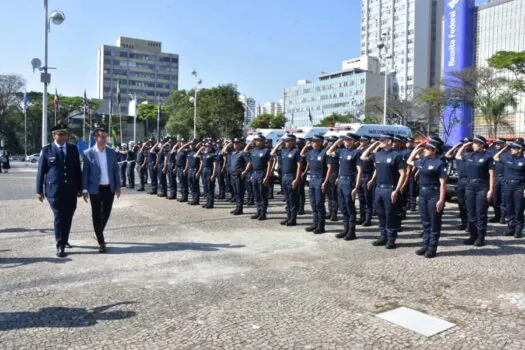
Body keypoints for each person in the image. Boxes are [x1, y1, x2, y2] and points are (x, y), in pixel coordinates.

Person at [36, 124, 82, 257]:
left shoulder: (73, 149)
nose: (63, 137)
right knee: (59, 216)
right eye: (60, 134)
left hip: (71, 189)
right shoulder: (47, 150)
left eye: (65, 134)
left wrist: (79, 187)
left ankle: (65, 238)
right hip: (54, 190)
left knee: (69, 215)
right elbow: (41, 172)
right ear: (54, 135)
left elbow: (77, 170)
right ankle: (60, 245)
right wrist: (39, 190)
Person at [361, 134, 407, 249]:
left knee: (390, 215)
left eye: (382, 140)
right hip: (379, 188)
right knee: (381, 214)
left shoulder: (396, 155)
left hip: (390, 189)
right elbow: (363, 156)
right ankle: (383, 236)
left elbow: (403, 173)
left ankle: (391, 239)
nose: (379, 141)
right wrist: (372, 179)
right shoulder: (377, 154)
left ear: (389, 141)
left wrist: (397, 190)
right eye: (379, 140)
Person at [81, 128, 121, 254]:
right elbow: (85, 173)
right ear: (96, 138)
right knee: (96, 214)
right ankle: (101, 241)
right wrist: (84, 189)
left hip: (109, 188)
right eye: (102, 137)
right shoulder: (88, 153)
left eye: (105, 137)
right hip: (95, 189)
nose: (104, 139)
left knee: (107, 213)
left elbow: (115, 169)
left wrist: (118, 186)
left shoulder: (111, 152)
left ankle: (98, 231)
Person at [406, 140, 447, 258]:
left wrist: (441, 200)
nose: (425, 150)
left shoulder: (439, 163)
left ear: (434, 151)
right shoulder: (423, 161)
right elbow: (409, 161)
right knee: (425, 222)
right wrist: (416, 150)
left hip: (434, 194)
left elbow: (443, 183)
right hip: (423, 194)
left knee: (434, 222)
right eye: (425, 148)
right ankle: (425, 245)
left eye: (427, 148)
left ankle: (432, 248)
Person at [455, 135, 495, 247]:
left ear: (482, 144)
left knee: (481, 213)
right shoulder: (469, 155)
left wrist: (491, 190)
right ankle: (473, 236)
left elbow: (492, 175)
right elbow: (458, 156)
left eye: (476, 143)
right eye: (473, 143)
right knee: (471, 213)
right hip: (470, 187)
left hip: (482, 187)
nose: (473, 144)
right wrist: (464, 146)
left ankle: (481, 238)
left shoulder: (488, 157)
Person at [328, 133, 361, 240]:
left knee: (349, 206)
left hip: (349, 181)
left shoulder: (356, 153)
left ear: (353, 141)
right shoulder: (341, 151)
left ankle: (352, 232)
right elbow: (329, 152)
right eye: (345, 140)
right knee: (342, 207)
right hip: (341, 180)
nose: (346, 141)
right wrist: (338, 142)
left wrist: (356, 187)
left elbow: (359, 171)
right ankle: (345, 229)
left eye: (348, 140)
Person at [493, 139, 525, 238]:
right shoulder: (507, 157)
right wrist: (504, 149)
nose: (512, 149)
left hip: (519, 187)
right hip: (507, 186)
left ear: (520, 149)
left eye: (514, 148)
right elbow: (495, 157)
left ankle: (518, 230)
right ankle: (510, 228)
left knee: (518, 209)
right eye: (511, 148)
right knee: (509, 208)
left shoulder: (523, 160)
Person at [302, 135, 332, 234]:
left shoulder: (325, 153)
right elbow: (302, 154)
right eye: (312, 141)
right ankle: (315, 223)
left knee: (319, 203)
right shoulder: (310, 153)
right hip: (312, 179)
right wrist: (306, 145)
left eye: (315, 141)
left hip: (320, 179)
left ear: (320, 142)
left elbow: (329, 168)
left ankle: (321, 226)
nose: (314, 143)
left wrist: (325, 182)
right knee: (313, 203)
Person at [271, 134, 302, 226]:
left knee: (293, 199)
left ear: (293, 141)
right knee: (287, 199)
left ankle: (293, 219)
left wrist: (296, 179)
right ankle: (288, 217)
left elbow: (299, 166)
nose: (287, 142)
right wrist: (279, 144)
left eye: (288, 141)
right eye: (286, 141)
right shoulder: (283, 150)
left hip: (291, 176)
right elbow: (272, 153)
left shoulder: (296, 151)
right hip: (284, 176)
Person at [244, 135, 273, 220]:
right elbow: (244, 151)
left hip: (262, 173)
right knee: (256, 194)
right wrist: (250, 143)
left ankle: (263, 213)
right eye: (256, 140)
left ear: (264, 141)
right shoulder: (252, 150)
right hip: (254, 173)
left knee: (262, 194)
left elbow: (269, 164)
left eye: (260, 140)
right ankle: (258, 211)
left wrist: (267, 176)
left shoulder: (266, 151)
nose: (258, 142)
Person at [445, 138, 471, 231]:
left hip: (469, 181)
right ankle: (464, 223)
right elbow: (447, 155)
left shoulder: (472, 155)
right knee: (461, 203)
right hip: (460, 181)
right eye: (464, 143)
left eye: (467, 143)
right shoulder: (458, 154)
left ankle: (469, 224)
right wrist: (456, 146)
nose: (465, 145)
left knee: (469, 204)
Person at [223, 138, 248, 215]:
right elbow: (223, 151)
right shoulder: (231, 153)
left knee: (240, 192)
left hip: (239, 175)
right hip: (232, 175)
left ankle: (240, 209)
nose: (235, 144)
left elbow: (249, 162)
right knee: (235, 192)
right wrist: (228, 144)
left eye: (237, 143)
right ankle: (237, 207)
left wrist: (245, 171)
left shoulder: (242, 153)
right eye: (234, 143)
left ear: (241, 144)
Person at [488, 138, 507, 224]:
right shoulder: (492, 151)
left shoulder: (509, 153)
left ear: (504, 144)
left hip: (505, 178)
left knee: (503, 199)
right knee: (495, 199)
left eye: (499, 144)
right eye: (496, 144)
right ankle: (497, 215)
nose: (497, 145)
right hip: (495, 177)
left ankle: (502, 217)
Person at [356, 136, 375, 226]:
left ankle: (368, 219)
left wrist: (372, 179)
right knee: (361, 199)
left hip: (368, 176)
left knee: (368, 199)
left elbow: (376, 168)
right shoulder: (358, 151)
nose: (362, 142)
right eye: (361, 140)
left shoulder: (372, 153)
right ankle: (362, 217)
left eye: (364, 140)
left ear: (368, 142)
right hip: (360, 176)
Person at [196, 142, 218, 208]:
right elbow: (196, 155)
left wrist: (213, 174)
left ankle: (210, 204)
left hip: (210, 171)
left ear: (211, 147)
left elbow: (215, 165)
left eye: (208, 146)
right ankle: (207, 202)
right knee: (206, 188)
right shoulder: (204, 154)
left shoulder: (213, 154)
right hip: (204, 171)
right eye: (206, 146)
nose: (207, 147)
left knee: (210, 188)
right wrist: (202, 148)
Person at [325, 135, 339, 221]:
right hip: (328, 175)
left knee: (334, 196)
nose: (329, 143)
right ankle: (330, 212)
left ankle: (334, 213)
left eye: (331, 142)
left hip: (334, 175)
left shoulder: (336, 152)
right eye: (329, 141)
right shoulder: (327, 151)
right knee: (329, 196)